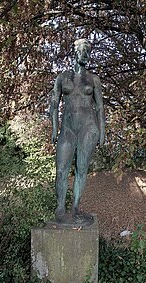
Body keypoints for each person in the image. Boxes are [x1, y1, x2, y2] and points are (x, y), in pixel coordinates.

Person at [50, 38, 105, 223]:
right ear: (75, 51)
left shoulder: (93, 79)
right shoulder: (62, 77)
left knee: (81, 169)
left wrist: (102, 131)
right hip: (67, 128)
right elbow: (54, 104)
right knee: (61, 169)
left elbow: (100, 107)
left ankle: (75, 208)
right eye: (83, 50)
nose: (86, 55)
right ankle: (60, 207)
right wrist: (54, 129)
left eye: (88, 51)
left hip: (88, 127)